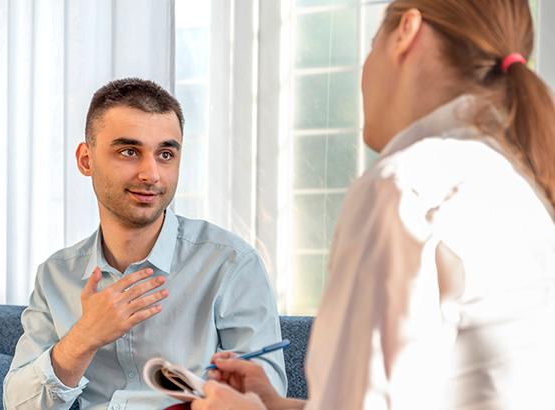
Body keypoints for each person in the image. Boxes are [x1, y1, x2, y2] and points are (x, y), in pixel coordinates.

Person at [191, 0, 555, 409]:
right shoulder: (516, 187)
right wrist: (274, 405)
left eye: (370, 45)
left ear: (407, 31)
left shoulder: (403, 187)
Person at [2, 78, 287, 410]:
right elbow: (18, 405)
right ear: (86, 160)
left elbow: (265, 401)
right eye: (129, 151)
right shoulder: (56, 276)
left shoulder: (231, 265)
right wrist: (83, 338)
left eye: (165, 154)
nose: (151, 173)